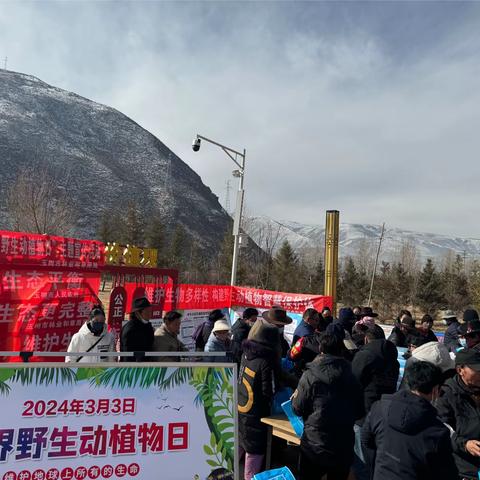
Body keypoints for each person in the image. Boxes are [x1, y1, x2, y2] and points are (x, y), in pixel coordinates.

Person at [362, 361, 458, 480]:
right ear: (435, 390)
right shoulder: (437, 431)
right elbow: (445, 473)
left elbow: (366, 441)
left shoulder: (379, 408)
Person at [292, 333, 364, 480]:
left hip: (315, 443)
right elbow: (359, 411)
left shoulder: (310, 375)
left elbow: (297, 408)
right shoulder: (352, 375)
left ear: (320, 348)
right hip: (342, 444)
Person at [351, 326, 399, 480]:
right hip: (386, 412)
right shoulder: (393, 357)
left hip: (363, 412)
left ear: (366, 338)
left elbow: (353, 382)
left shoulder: (364, 356)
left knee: (361, 460)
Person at [238, 319, 279, 480]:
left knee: (239, 449)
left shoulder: (245, 355)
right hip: (256, 415)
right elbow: (268, 391)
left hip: (242, 410)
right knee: (253, 457)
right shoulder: (264, 361)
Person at [436, 349, 480, 479]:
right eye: (477, 370)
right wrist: (465, 444)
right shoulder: (447, 394)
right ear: (460, 370)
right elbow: (441, 429)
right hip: (462, 467)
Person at [120, 297, 154, 362]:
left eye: (150, 311)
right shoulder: (130, 329)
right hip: (134, 368)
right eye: (147, 311)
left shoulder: (148, 326)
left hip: (147, 367)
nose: (150, 314)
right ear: (137, 313)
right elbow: (127, 355)